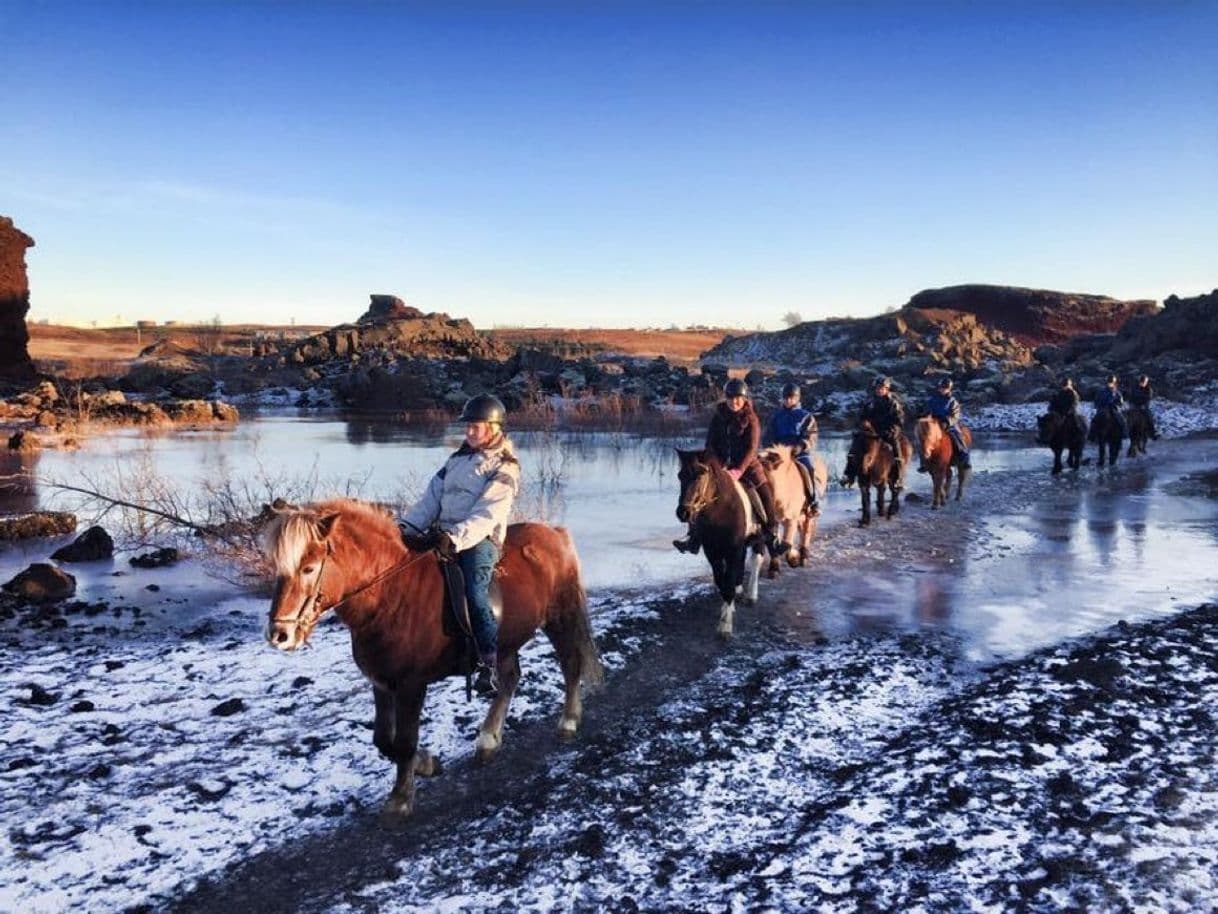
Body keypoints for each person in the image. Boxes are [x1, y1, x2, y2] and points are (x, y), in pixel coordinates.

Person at [400, 393, 520, 694]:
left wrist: (454, 538)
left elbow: (488, 512)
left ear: (494, 428)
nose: (467, 432)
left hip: (478, 540)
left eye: (474, 427)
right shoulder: (456, 460)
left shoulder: (505, 466)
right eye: (467, 427)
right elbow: (430, 500)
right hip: (443, 534)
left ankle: (487, 663)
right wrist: (405, 529)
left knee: (474, 593)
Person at [674, 378, 780, 555]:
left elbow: (752, 449)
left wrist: (738, 470)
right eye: (730, 398)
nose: (734, 402)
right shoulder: (718, 417)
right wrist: (714, 464)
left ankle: (772, 537)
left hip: (748, 467)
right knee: (698, 494)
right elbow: (711, 444)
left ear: (744, 399)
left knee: (766, 497)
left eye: (738, 398)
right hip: (721, 466)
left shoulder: (752, 419)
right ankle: (693, 537)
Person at [763, 381, 820, 516]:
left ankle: (813, 500)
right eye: (786, 398)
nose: (788, 400)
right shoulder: (776, 416)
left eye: (791, 398)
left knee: (809, 467)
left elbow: (811, 435)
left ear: (797, 398)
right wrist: (769, 448)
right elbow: (768, 436)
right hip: (780, 452)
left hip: (798, 452)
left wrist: (801, 446)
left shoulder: (806, 416)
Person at [858, 376, 907, 478]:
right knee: (856, 442)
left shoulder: (893, 402)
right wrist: (864, 422)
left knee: (895, 446)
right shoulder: (869, 402)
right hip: (872, 431)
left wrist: (891, 429)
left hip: (888, 430)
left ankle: (899, 476)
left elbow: (899, 420)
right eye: (877, 388)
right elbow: (862, 415)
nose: (879, 390)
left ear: (886, 389)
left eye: (882, 388)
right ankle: (849, 474)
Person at [919, 376, 970, 471]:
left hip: (948, 424)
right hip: (934, 423)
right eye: (941, 387)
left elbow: (955, 415)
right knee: (924, 439)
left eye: (944, 388)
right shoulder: (932, 400)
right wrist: (926, 415)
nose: (942, 390)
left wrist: (947, 421)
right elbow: (927, 410)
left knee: (957, 437)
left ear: (949, 389)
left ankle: (964, 458)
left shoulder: (952, 401)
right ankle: (923, 462)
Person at [1093, 374, 1128, 439]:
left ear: (1114, 383)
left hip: (1113, 409)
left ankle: (1124, 433)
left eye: (1112, 383)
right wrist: (1099, 405)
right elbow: (1097, 400)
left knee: (1122, 420)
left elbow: (1121, 402)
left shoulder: (1117, 392)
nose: (1110, 384)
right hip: (1103, 409)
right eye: (1109, 383)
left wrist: (1117, 404)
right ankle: (1092, 435)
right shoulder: (1101, 392)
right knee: (1095, 420)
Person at [1129, 374, 1159, 439]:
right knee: (1128, 415)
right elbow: (1131, 396)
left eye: (1144, 382)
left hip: (1144, 406)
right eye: (1141, 382)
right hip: (1135, 406)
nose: (1142, 383)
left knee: (1149, 416)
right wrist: (1132, 403)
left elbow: (1148, 398)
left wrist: (1144, 405)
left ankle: (1152, 432)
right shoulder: (1135, 388)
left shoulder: (1148, 389)